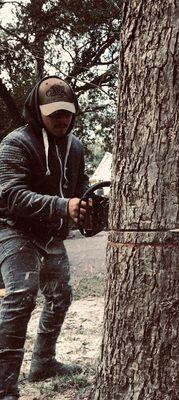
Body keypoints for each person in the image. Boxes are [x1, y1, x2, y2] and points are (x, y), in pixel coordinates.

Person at [0, 76, 90, 400]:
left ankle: (43, 363)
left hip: (50, 234)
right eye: (54, 113)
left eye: (67, 112)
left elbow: (81, 185)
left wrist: (87, 203)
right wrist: (63, 206)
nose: (61, 120)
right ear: (37, 111)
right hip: (13, 229)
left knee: (60, 295)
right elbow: (10, 195)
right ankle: (4, 387)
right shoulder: (15, 143)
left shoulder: (76, 146)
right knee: (22, 293)